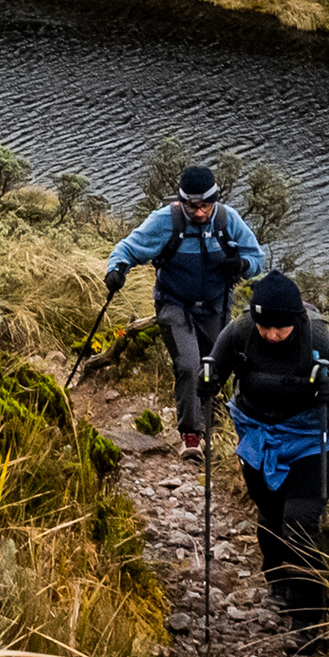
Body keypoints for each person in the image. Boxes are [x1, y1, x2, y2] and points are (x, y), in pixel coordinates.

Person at [205, 271, 329, 635]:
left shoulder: (321, 339)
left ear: (296, 320)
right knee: (272, 514)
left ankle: (308, 616)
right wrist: (208, 383)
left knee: (301, 522)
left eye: (281, 328)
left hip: (314, 438)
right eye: (265, 327)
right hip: (257, 434)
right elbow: (214, 370)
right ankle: (278, 580)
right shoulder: (241, 331)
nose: (272, 335)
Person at [104, 163, 269, 457]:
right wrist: (116, 271)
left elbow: (256, 257)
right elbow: (127, 249)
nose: (200, 212)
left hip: (216, 308)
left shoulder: (227, 221)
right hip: (173, 303)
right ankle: (191, 436)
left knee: (215, 367)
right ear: (181, 200)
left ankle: (213, 418)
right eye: (193, 206)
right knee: (190, 365)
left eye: (206, 205)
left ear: (215, 200)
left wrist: (242, 265)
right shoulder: (166, 221)